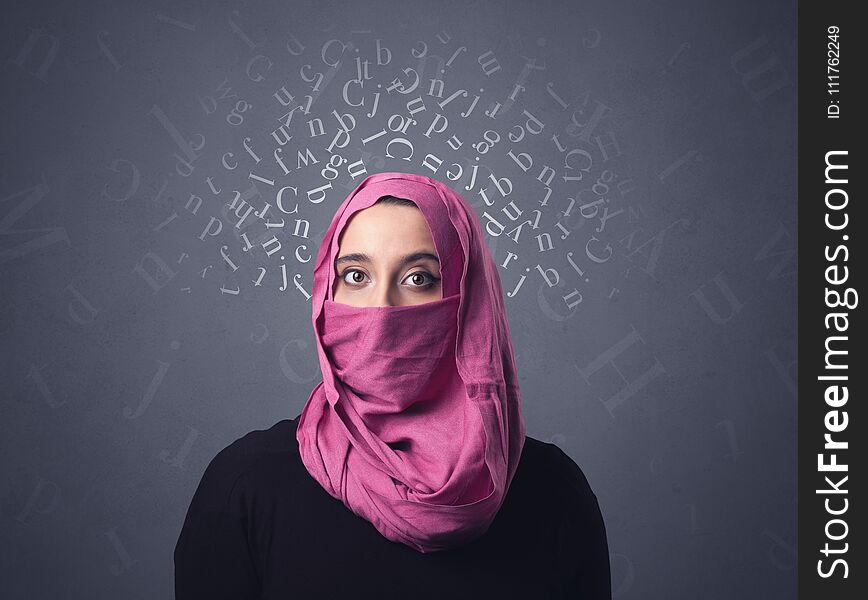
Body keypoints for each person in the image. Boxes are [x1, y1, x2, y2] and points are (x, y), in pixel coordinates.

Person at [174, 172, 611, 598]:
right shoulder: (246, 486)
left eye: (418, 278)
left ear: (471, 302)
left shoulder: (554, 494)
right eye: (356, 276)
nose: (382, 308)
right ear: (326, 295)